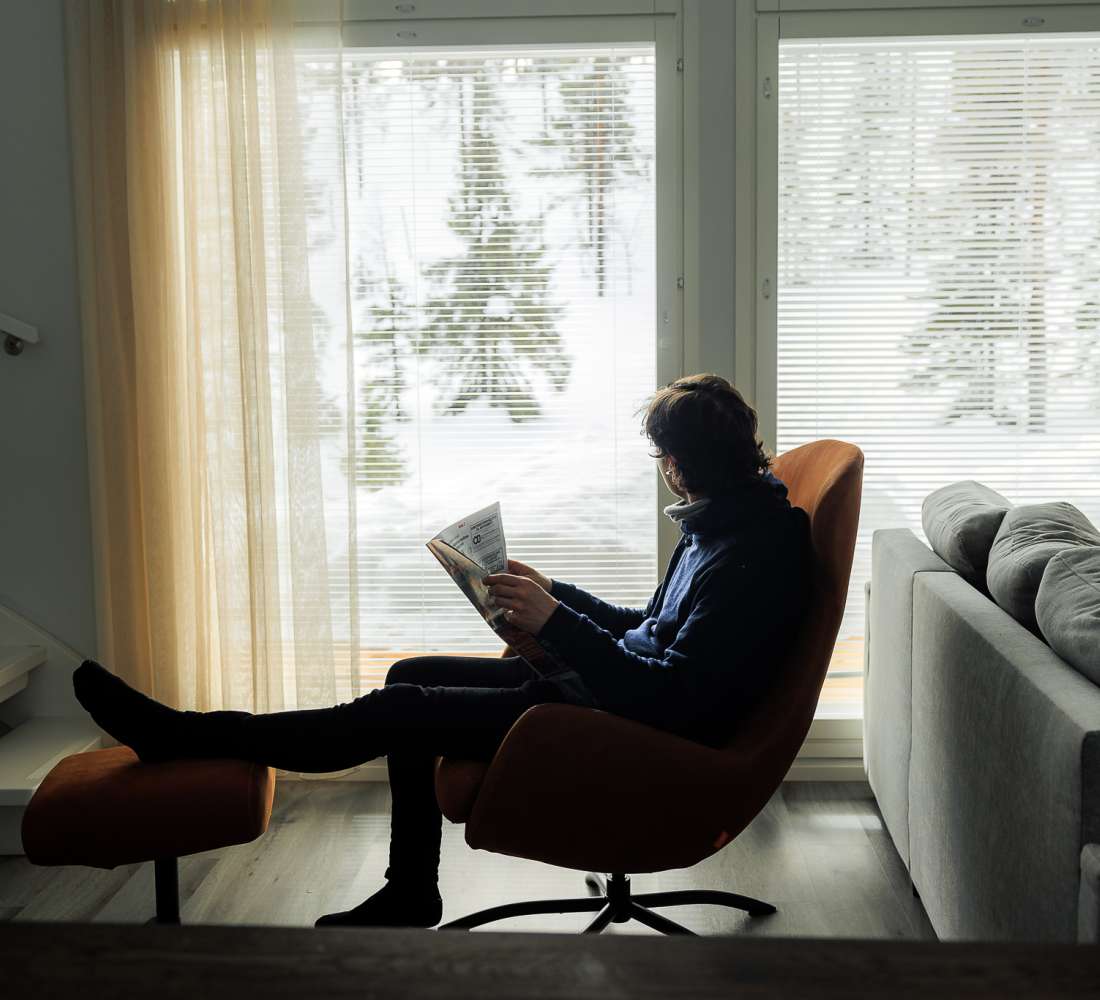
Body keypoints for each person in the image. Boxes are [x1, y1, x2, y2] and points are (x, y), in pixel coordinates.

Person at [71, 373, 813, 929]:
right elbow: (648, 628)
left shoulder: (751, 554)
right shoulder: (724, 522)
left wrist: (555, 625)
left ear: (685, 461)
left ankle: (183, 734)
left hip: (634, 729)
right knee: (409, 676)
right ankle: (410, 887)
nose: (662, 469)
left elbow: (672, 695)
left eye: (663, 455)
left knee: (402, 709)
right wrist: (556, 594)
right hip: (610, 698)